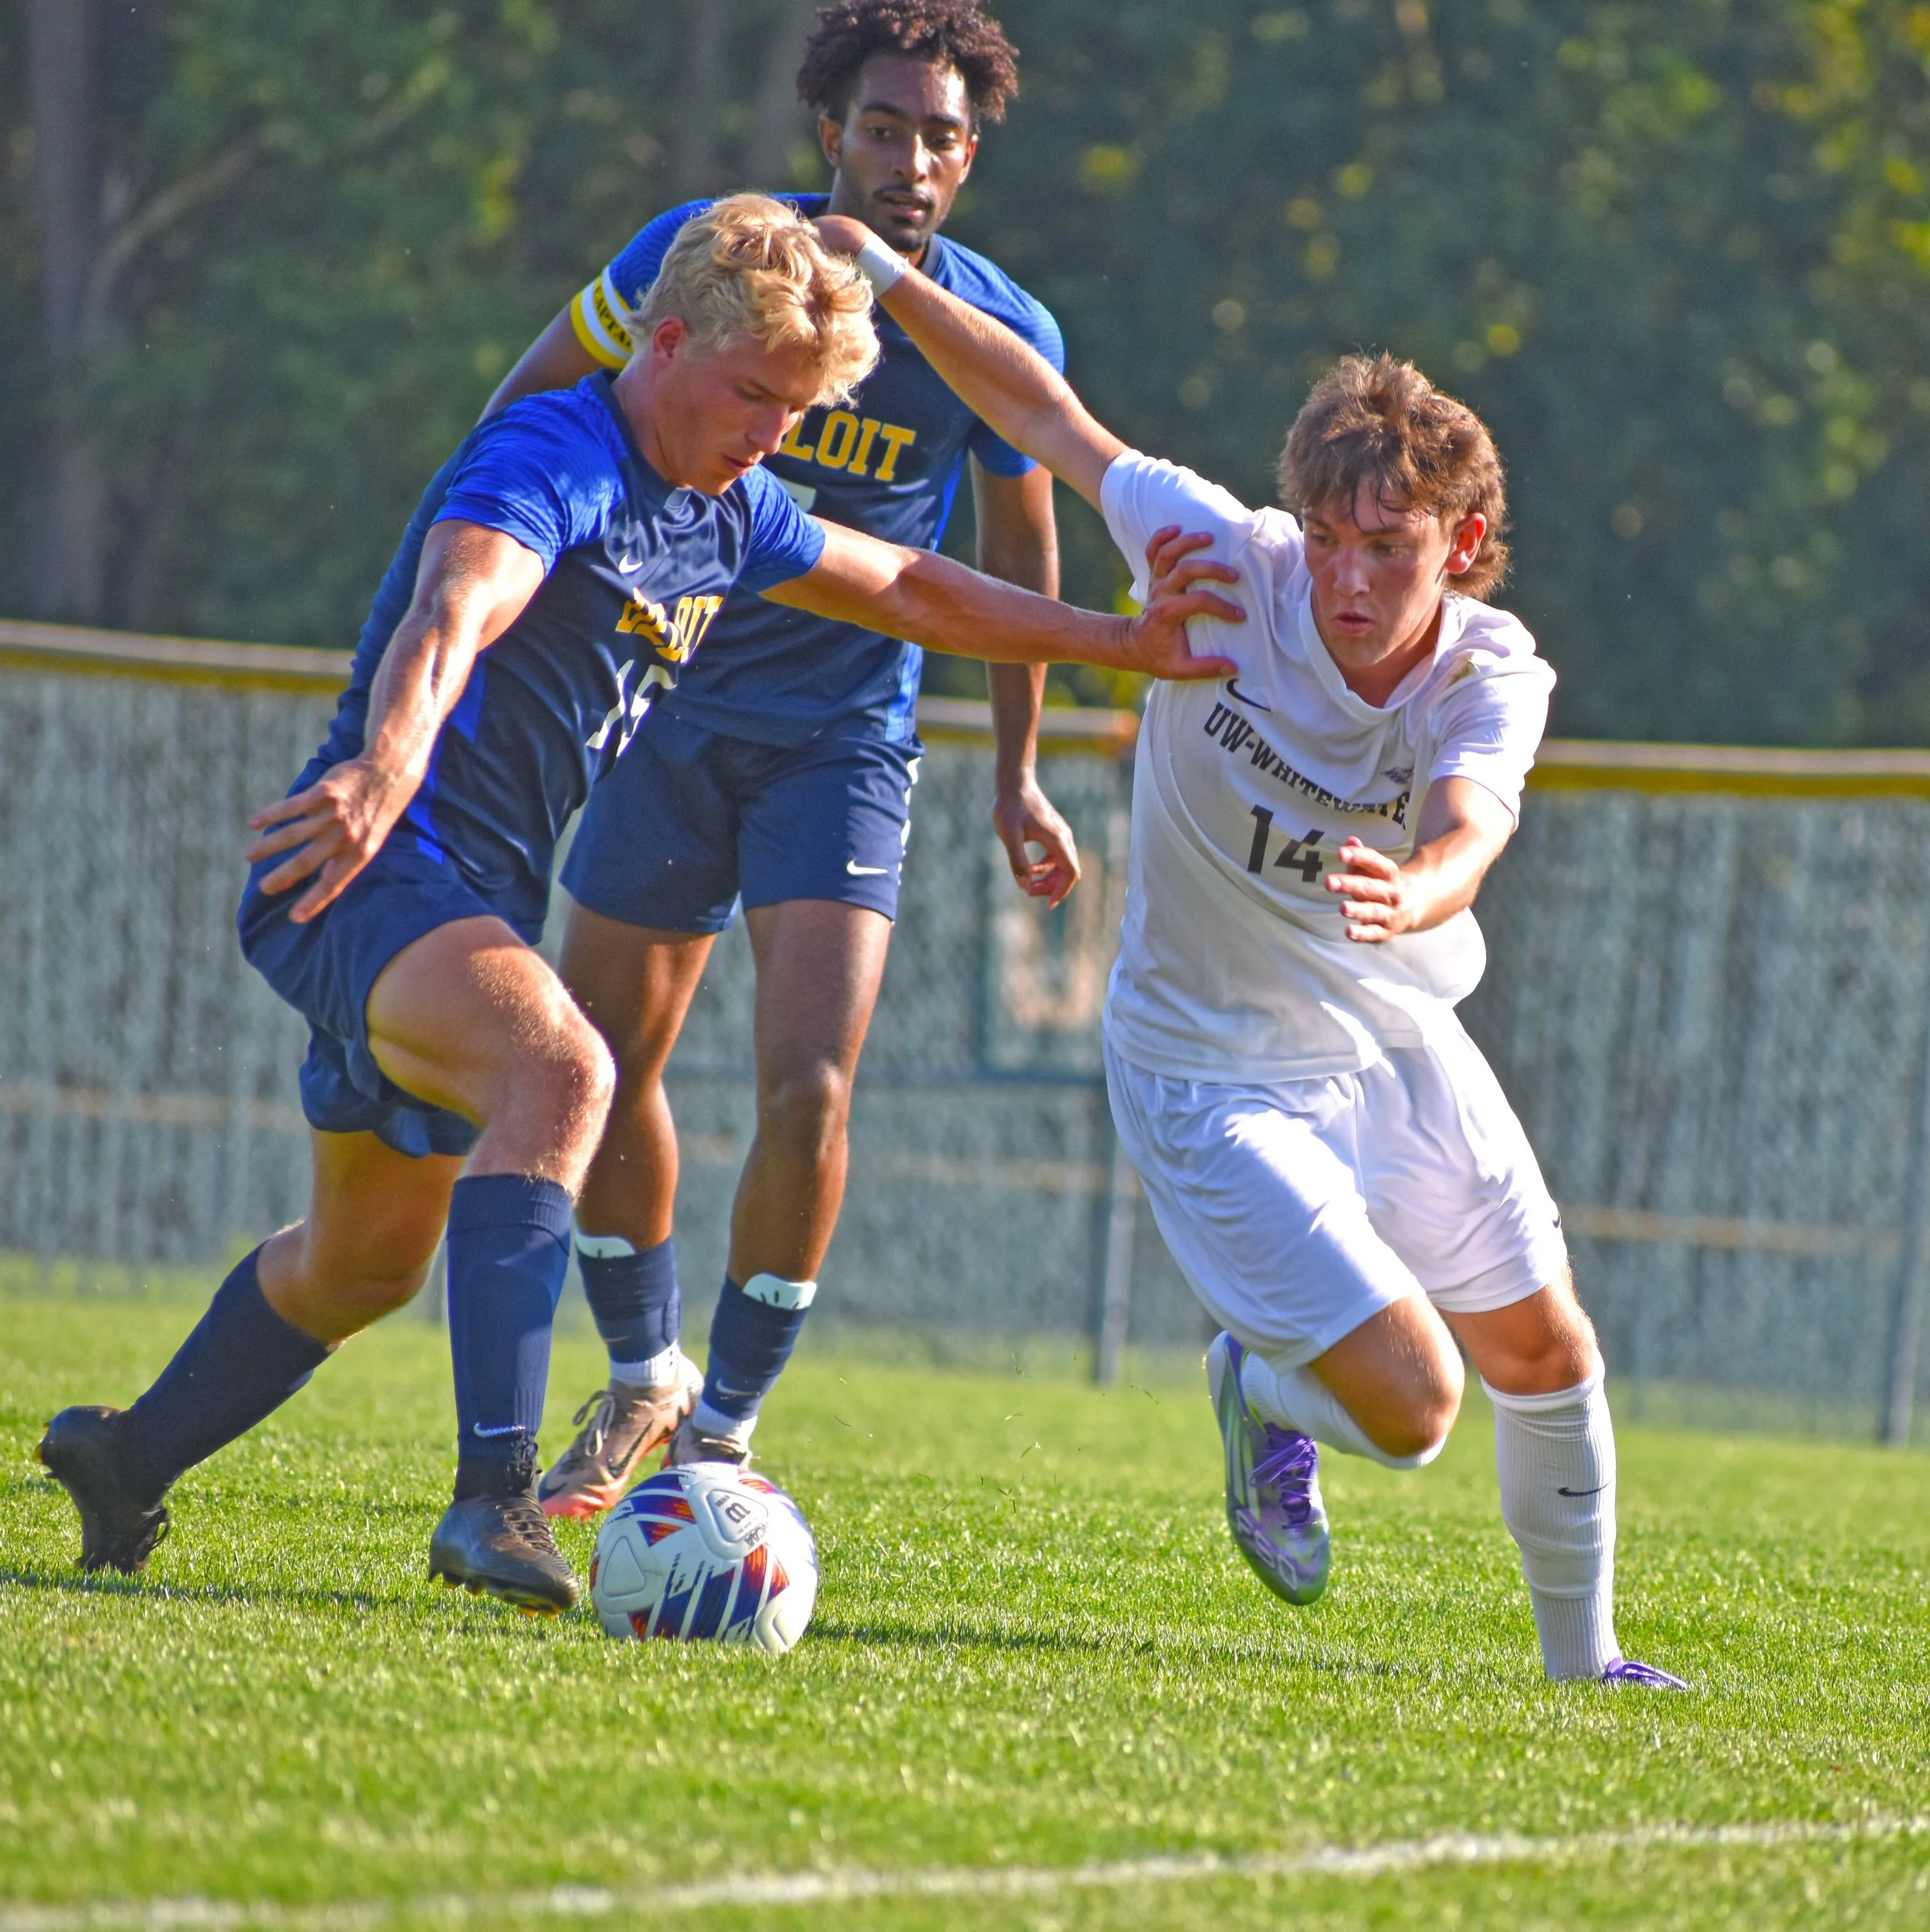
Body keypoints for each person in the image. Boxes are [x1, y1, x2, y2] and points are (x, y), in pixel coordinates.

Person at [36, 195, 1237, 1616]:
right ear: (664, 342)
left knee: (360, 1263)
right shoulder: (556, 452)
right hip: (367, 868)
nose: (771, 433)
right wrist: (379, 768)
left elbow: (911, 582)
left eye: (796, 410)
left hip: (460, 904)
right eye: (752, 395)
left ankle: (125, 1457)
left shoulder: (728, 508)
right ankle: (494, 1504)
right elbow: (455, 609)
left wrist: (1124, 642)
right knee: (567, 1069)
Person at [817, 215, 1685, 1686]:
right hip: (1208, 1063)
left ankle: (1585, 1668)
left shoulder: (1491, 668)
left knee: (1545, 1348)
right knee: (1415, 1407)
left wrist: (1416, 890)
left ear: (1461, 546)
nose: (1346, 578)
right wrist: (897, 283)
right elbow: (1042, 413)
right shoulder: (1223, 563)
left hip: (1391, 1033)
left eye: (1389, 547)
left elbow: (1474, 829)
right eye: (1331, 539)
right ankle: (1262, 1393)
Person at [470, 0, 1081, 1500]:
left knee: (809, 1078)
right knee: (605, 1063)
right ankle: (640, 1379)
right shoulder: (702, 259)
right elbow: (530, 396)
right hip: (660, 712)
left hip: (843, 744)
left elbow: (1021, 558)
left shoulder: (991, 331)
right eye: (884, 126)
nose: (911, 160)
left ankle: (728, 1434)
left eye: (943, 136)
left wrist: (1015, 771)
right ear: (830, 132)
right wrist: (502, 576)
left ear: (971, 155)